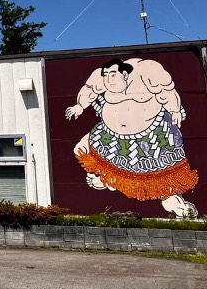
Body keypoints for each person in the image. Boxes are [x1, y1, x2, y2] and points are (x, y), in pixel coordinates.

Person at [65, 57, 198, 218]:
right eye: (105, 74)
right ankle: (106, 179)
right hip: (111, 135)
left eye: (113, 74)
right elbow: (90, 90)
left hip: (151, 137)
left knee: (162, 183)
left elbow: (166, 91)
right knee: (81, 148)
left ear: (125, 74)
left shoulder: (147, 71)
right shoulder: (100, 77)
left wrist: (175, 110)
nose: (108, 79)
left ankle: (180, 208)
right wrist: (79, 106)